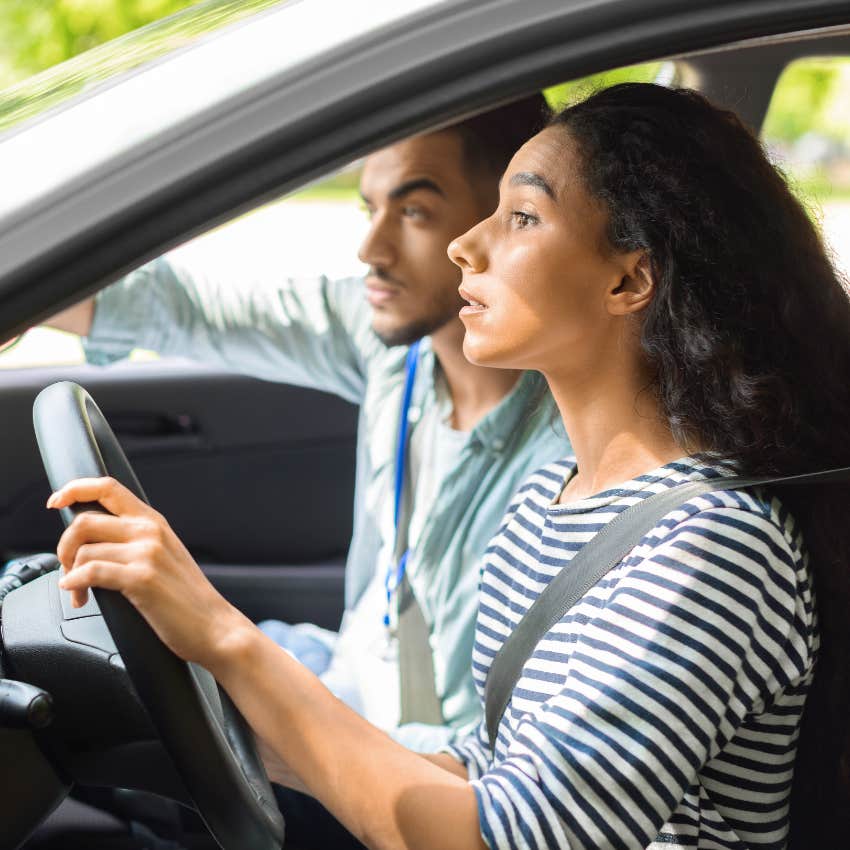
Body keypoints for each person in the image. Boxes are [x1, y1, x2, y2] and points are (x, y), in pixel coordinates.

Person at [50, 82, 850, 849]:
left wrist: (224, 635)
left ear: (628, 278)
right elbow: (477, 774)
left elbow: (494, 838)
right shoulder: (555, 496)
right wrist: (196, 703)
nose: (470, 245)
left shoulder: (713, 550)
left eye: (522, 217)